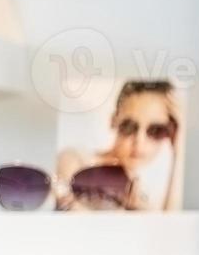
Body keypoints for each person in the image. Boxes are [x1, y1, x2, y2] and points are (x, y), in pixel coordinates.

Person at [56, 80, 183, 211]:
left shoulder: (141, 198)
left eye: (156, 130)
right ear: (113, 121)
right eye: (128, 126)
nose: (139, 142)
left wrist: (179, 152)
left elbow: (171, 227)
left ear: (171, 134)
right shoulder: (76, 161)